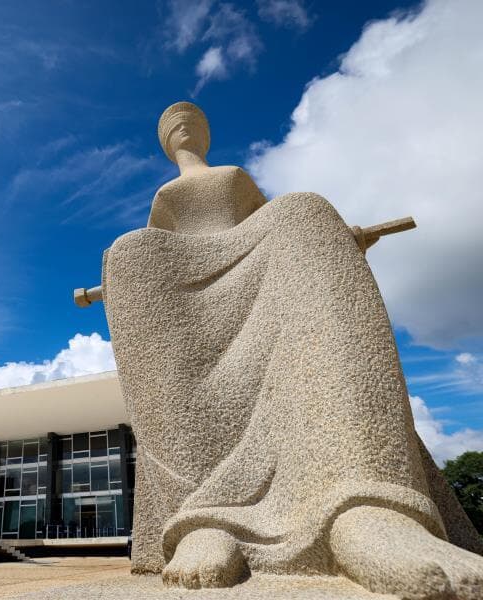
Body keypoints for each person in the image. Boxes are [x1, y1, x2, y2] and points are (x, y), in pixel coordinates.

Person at [101, 101, 483, 598]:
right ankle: (202, 521)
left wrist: (336, 238)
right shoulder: (164, 198)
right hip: (183, 270)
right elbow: (164, 239)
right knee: (130, 252)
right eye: (171, 126)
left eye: (191, 122)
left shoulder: (235, 177)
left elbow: (260, 217)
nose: (181, 128)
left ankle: (365, 511)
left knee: (303, 208)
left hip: (258, 246)